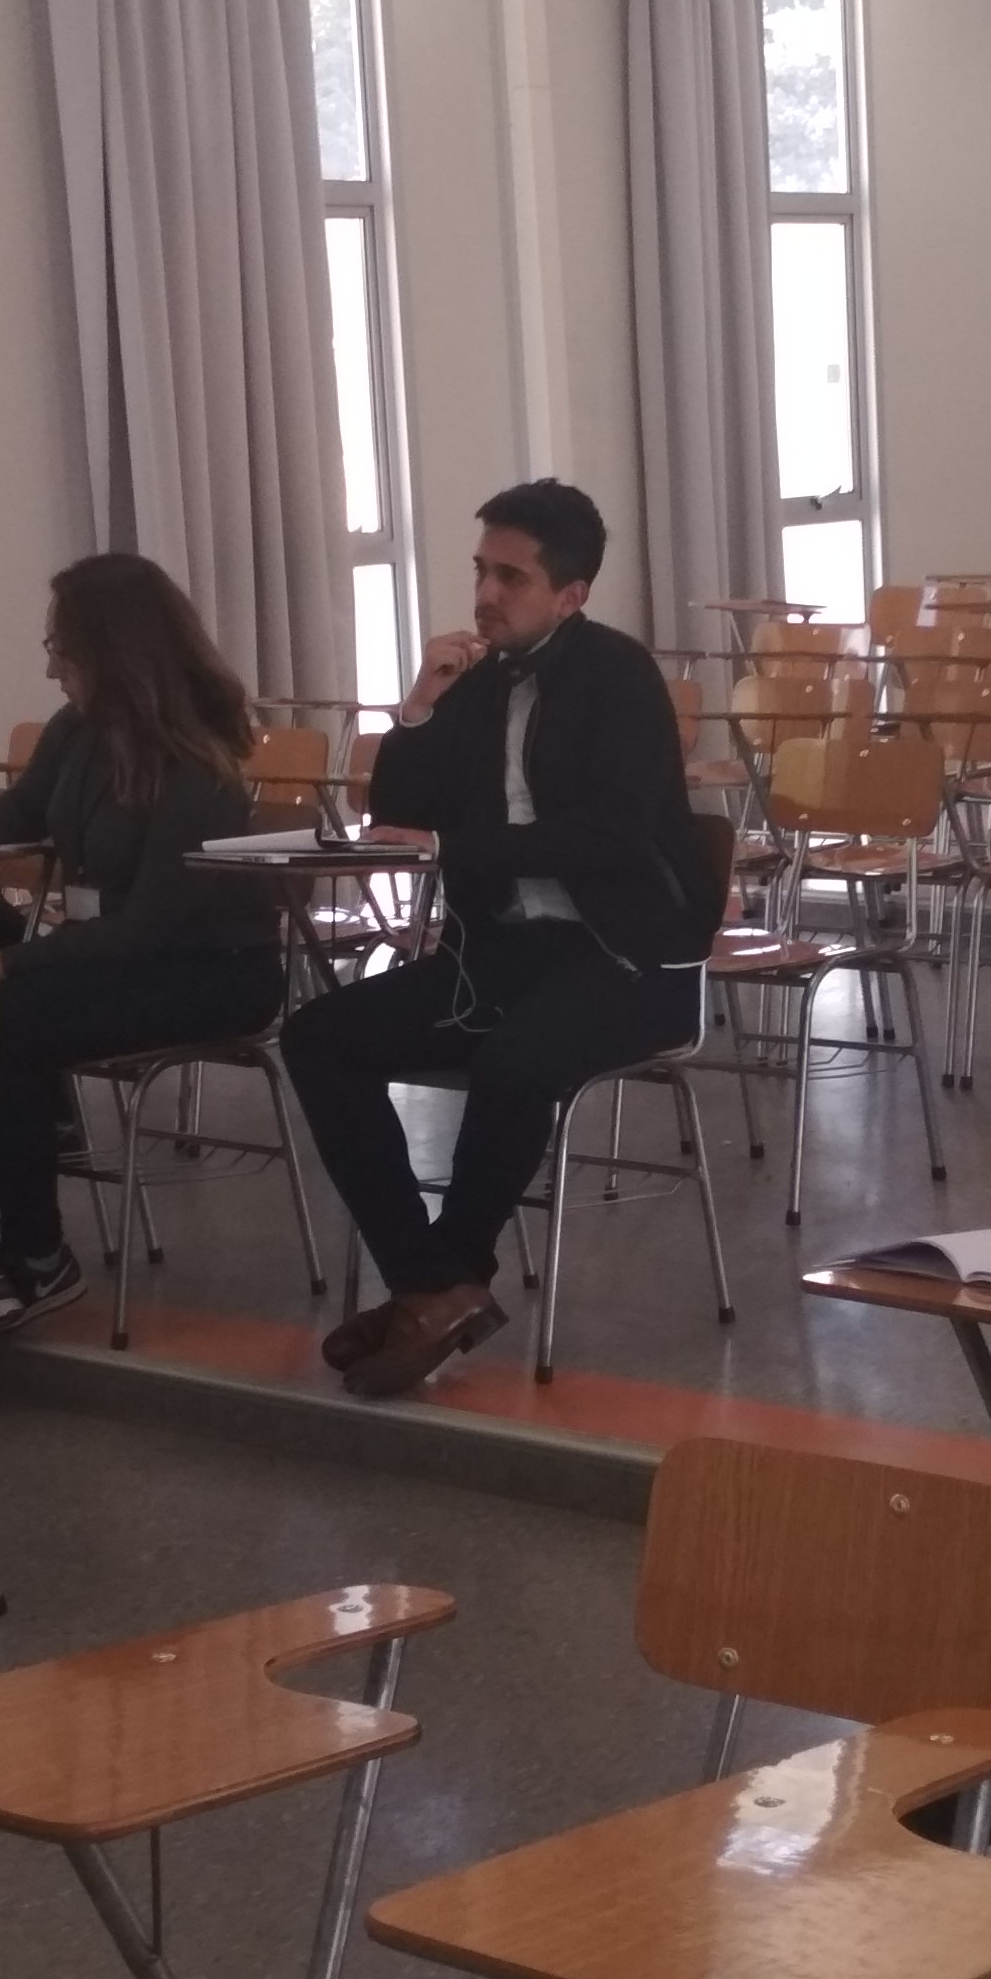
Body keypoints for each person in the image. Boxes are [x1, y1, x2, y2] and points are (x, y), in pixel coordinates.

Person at [283, 482, 710, 1399]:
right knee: (318, 1036)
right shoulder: (476, 682)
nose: (484, 593)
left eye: (510, 577)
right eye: (481, 570)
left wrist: (454, 845)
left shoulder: (619, 679)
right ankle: (430, 1285)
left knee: (516, 1061)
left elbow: (608, 836)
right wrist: (419, 705)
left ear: (570, 593)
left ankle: (443, 1279)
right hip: (498, 959)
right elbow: (398, 813)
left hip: (626, 961)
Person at [0, 557, 283, 1330]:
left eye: (64, 651)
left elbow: (150, 929)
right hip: (117, 955)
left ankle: (36, 1255)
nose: (52, 669)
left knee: (0, 1024)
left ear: (115, 655)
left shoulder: (196, 769)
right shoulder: (79, 730)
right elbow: (21, 812)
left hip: (211, 973)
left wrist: (4, 960)